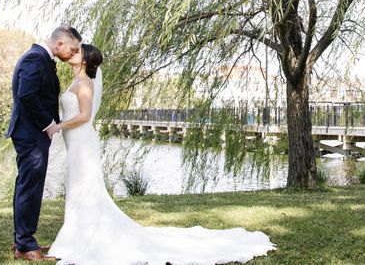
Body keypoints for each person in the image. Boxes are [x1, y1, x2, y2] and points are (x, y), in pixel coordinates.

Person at [45, 43, 277, 265]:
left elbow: (85, 116)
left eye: (78, 51)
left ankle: (80, 239)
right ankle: (78, 234)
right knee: (78, 188)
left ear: (85, 60)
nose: (73, 53)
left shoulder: (85, 83)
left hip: (82, 143)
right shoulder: (78, 80)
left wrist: (58, 126)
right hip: (76, 142)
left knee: (84, 187)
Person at [7, 26, 82, 261]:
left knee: (27, 186)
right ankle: (26, 245)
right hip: (30, 133)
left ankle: (23, 240)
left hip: (31, 133)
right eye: (73, 48)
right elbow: (26, 94)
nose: (73, 53)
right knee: (30, 187)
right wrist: (48, 123)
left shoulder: (42, 59)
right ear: (60, 44)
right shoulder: (34, 58)